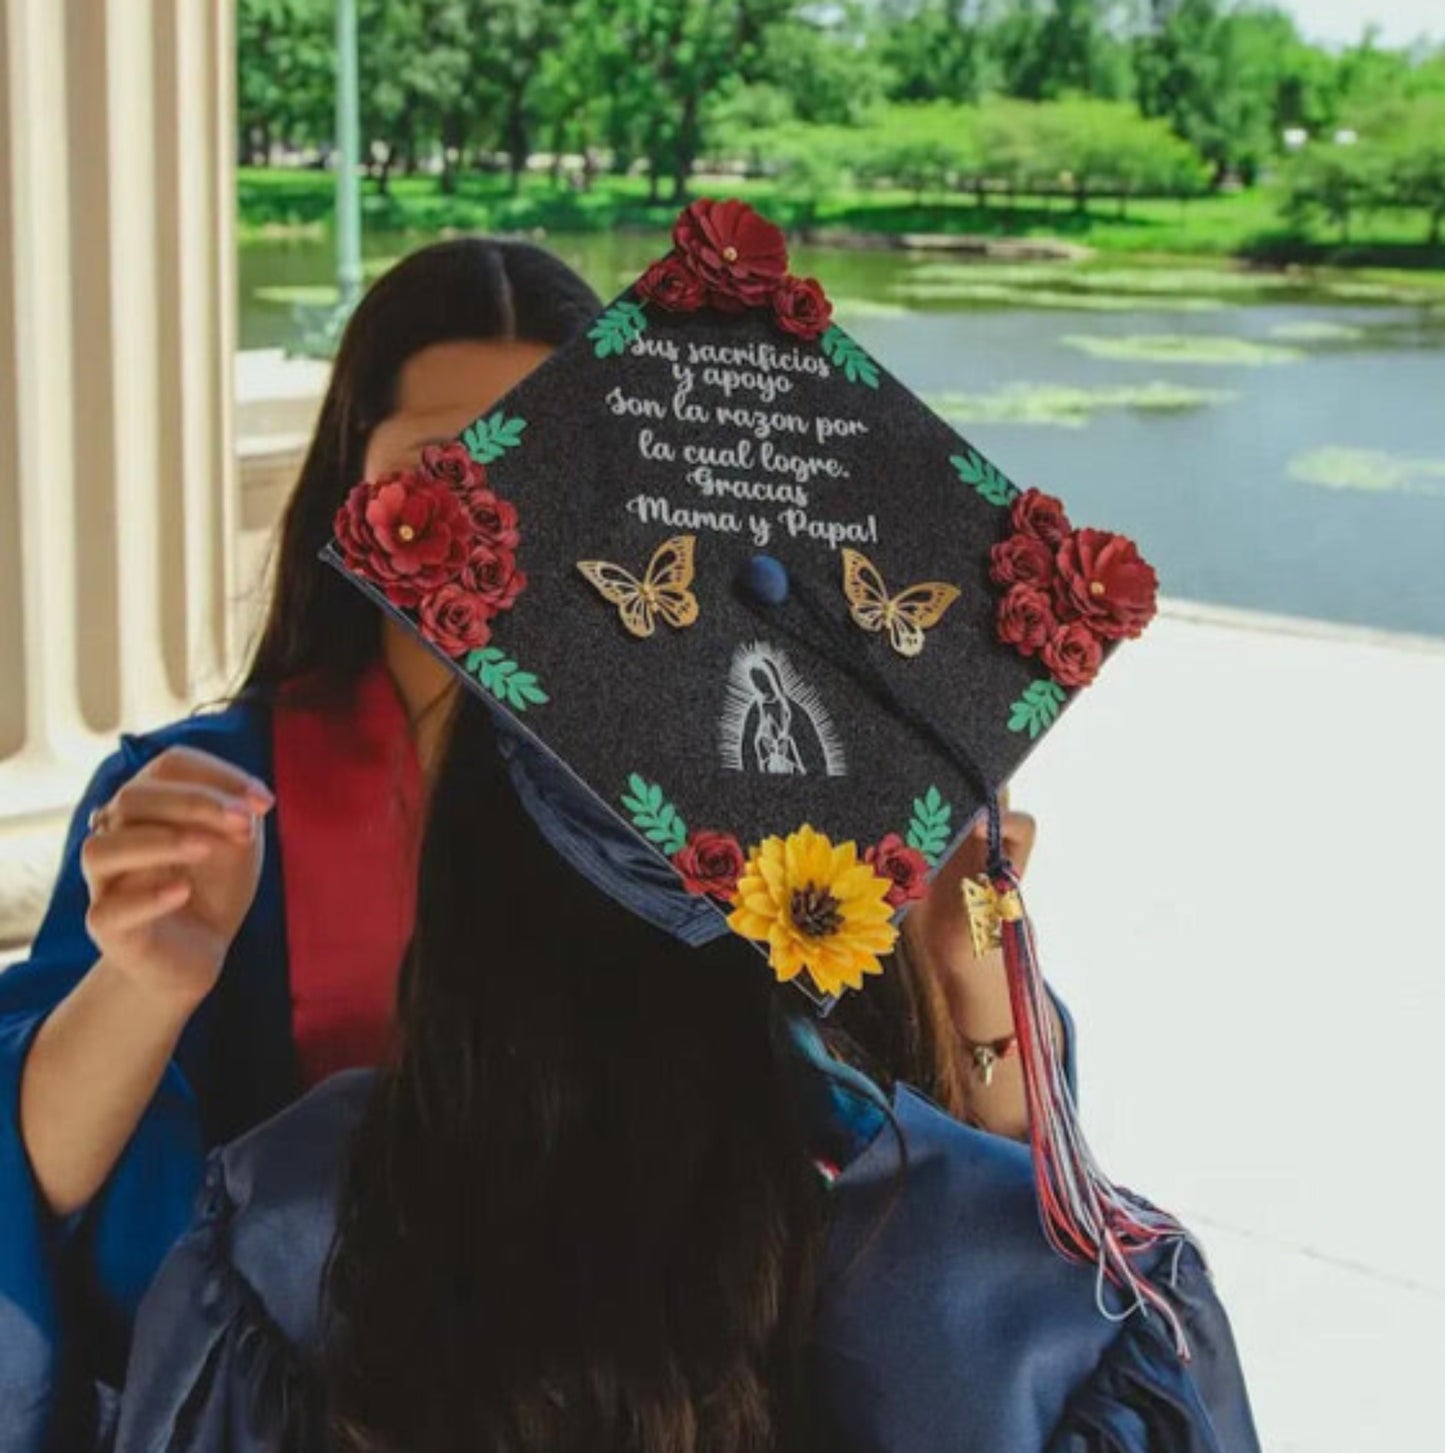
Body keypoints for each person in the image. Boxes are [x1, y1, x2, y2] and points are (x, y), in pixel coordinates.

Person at [0, 239, 1056, 1446]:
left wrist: (979, 979)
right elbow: (37, 1203)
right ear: (353, 480)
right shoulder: (208, 793)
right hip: (323, 1403)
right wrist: (144, 984)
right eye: (436, 461)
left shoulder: (746, 776)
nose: (483, 510)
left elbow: (958, 1190)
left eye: (544, 464)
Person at [115, 688, 1258, 1451]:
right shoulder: (1048, 1305)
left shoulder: (300, 1215)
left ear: (470, 860)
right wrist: (978, 1015)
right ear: (857, 887)